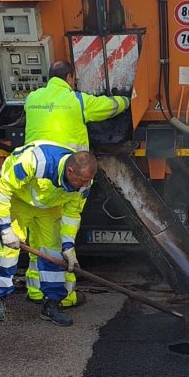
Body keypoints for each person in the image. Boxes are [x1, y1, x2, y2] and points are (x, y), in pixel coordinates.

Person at [21, 60, 130, 308]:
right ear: (70, 78)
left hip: (34, 178)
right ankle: (66, 296)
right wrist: (127, 99)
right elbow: (109, 107)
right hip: (63, 179)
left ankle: (36, 291)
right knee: (59, 240)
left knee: (37, 238)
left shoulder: (32, 99)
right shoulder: (77, 101)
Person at [0, 142, 98, 327]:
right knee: (5, 252)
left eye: (88, 181)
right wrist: (6, 228)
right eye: (83, 181)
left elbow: (72, 214)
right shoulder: (36, 161)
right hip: (19, 200)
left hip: (48, 207)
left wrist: (68, 245)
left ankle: (51, 304)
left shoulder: (85, 184)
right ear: (70, 171)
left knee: (54, 253)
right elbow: (2, 189)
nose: (86, 185)